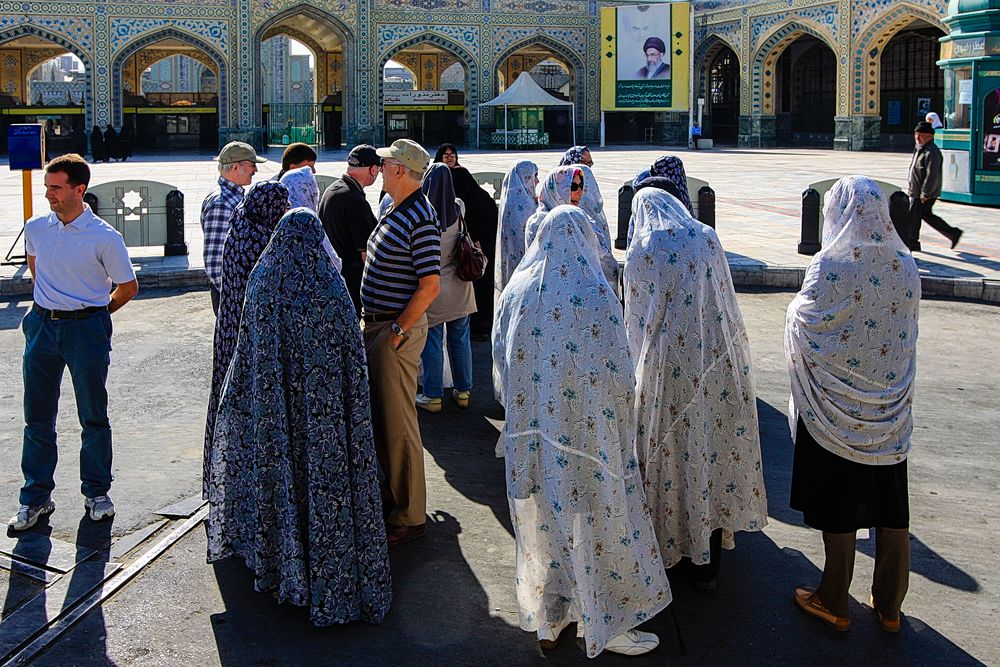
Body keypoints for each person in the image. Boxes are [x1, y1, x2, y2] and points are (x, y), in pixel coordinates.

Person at [493, 204, 670, 657]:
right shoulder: (594, 292)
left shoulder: (516, 289)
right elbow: (620, 367)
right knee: (598, 522)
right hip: (589, 440)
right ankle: (605, 620)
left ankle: (551, 618)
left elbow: (499, 361)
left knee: (544, 522)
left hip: (531, 437)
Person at [207, 207, 392, 627]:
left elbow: (246, 353)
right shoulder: (329, 286)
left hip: (276, 420)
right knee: (324, 489)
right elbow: (352, 353)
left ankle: (281, 571)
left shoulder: (264, 280)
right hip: (326, 424)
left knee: (283, 483)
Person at [786, 176, 919, 634]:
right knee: (891, 502)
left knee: (840, 500)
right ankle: (889, 607)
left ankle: (834, 599)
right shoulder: (906, 265)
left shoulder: (831, 265)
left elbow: (805, 321)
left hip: (835, 409)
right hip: (889, 412)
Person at [624, 187, 768, 590]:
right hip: (714, 369)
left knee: (669, 459)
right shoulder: (706, 236)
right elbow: (725, 300)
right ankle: (708, 562)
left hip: (664, 377)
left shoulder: (641, 251)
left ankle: (667, 553)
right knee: (708, 455)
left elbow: (636, 323)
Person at [8, 154, 139, 531]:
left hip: (86, 329)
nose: (48, 193)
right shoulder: (36, 227)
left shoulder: (104, 237)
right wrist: (52, 303)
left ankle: (97, 492)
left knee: (93, 416)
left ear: (79, 190)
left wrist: (96, 317)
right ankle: (34, 499)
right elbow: (36, 266)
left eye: (55, 187)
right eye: (47, 186)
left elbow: (128, 287)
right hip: (42, 327)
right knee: (37, 417)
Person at [362, 139, 441, 547]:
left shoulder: (419, 217)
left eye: (386, 161)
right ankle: (396, 502)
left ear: (400, 170)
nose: (380, 165)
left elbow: (430, 285)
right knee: (386, 421)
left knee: (399, 426)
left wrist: (396, 331)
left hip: (395, 332)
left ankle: (409, 514)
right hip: (383, 327)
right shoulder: (399, 209)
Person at [202, 181, 289, 500]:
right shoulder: (264, 241)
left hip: (228, 331)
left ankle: (223, 481)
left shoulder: (240, 225)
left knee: (227, 404)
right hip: (250, 336)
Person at [415, 163, 477, 413]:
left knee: (432, 340)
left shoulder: (422, 215)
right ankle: (463, 391)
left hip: (434, 286)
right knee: (460, 340)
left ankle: (433, 395)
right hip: (460, 285)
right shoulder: (458, 207)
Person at [435, 145, 499, 341]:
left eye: (452, 154)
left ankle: (477, 325)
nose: (450, 158)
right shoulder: (466, 188)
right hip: (477, 249)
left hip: (471, 249)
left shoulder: (457, 185)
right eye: (445, 155)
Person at [523, 166, 619, 296]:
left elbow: (603, 259)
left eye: (581, 186)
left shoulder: (583, 219)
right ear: (555, 189)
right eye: (573, 186)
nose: (579, 192)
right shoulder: (537, 223)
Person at [201, 141, 266, 315]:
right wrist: (235, 296)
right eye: (252, 165)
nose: (255, 171)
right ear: (236, 167)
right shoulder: (221, 203)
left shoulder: (232, 196)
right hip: (232, 296)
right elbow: (215, 260)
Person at [318, 144, 382, 316]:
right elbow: (366, 254)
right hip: (351, 285)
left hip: (333, 278)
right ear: (373, 170)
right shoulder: (354, 200)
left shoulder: (333, 190)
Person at [907, 121, 962, 251]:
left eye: (921, 135)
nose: (917, 138)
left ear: (930, 136)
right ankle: (953, 233)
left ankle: (912, 242)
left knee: (914, 217)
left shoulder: (932, 151)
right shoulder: (920, 148)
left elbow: (932, 174)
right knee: (924, 216)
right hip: (916, 190)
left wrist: (925, 193)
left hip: (924, 193)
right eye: (916, 135)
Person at [494, 160, 538, 298]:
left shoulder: (510, 201)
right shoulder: (525, 207)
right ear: (525, 178)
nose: (537, 181)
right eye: (534, 176)